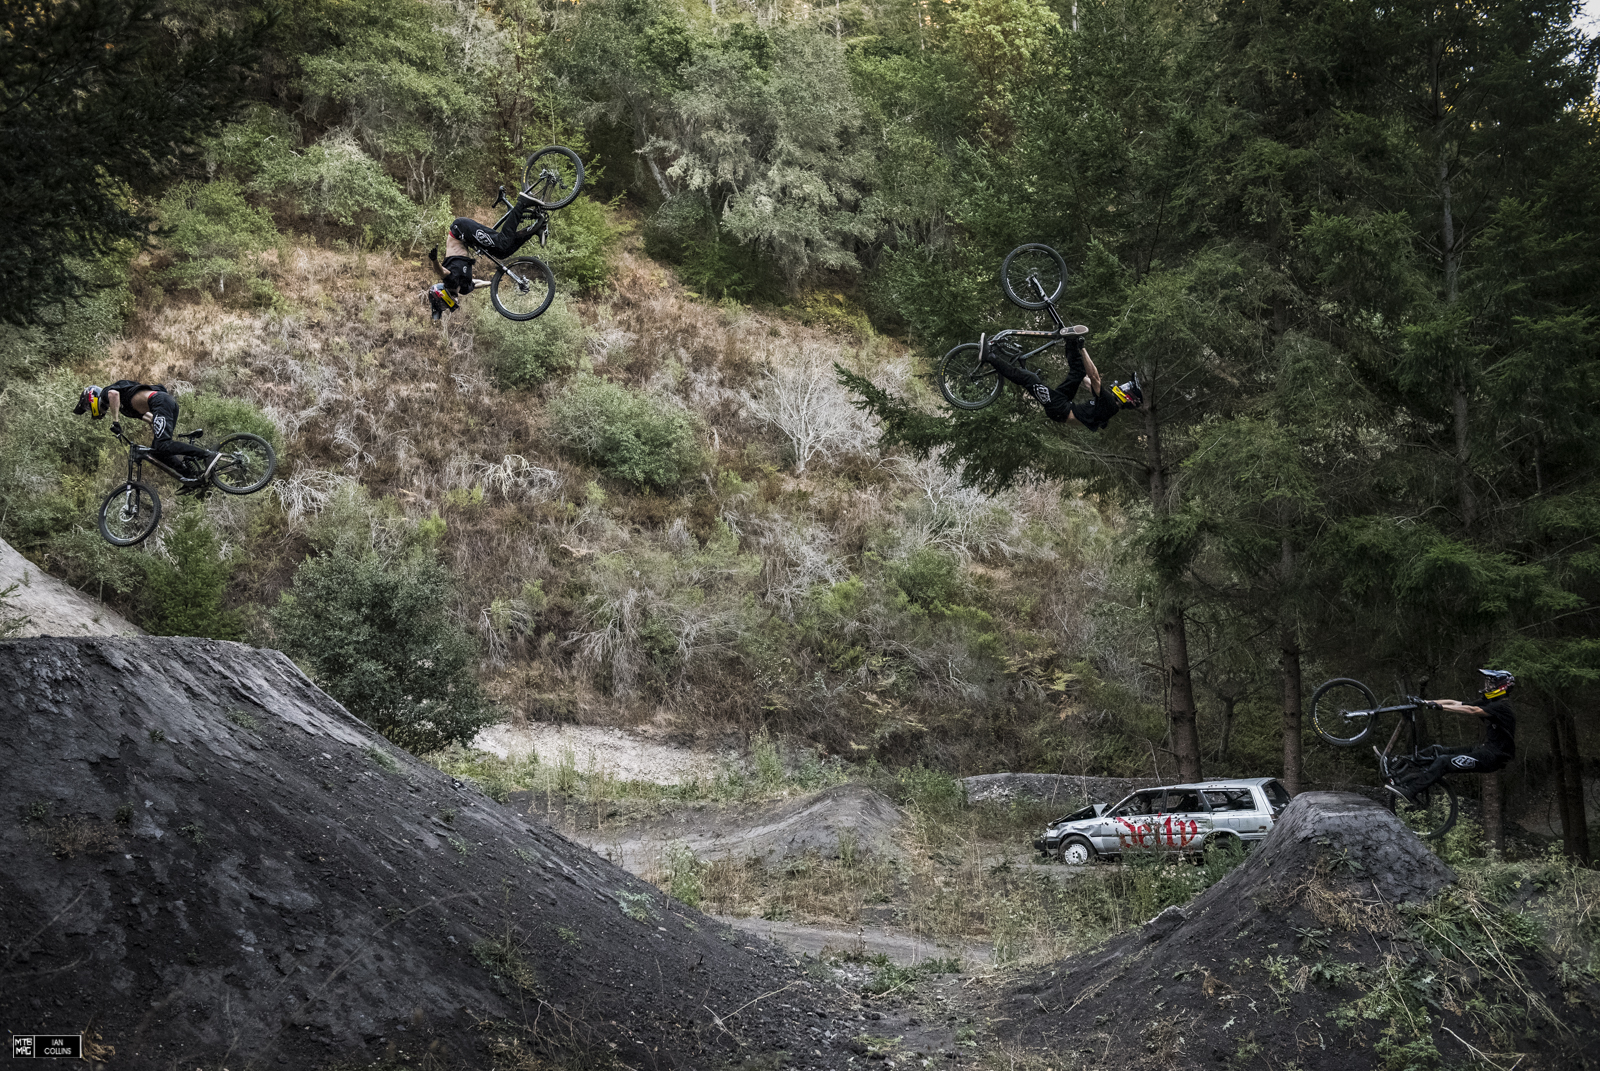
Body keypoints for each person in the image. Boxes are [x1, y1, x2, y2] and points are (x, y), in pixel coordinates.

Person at [1386, 669, 1517, 803]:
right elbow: (1455, 703)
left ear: (1501, 687)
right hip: (1485, 749)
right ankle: (1397, 763)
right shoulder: (1490, 702)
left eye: (1491, 684)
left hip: (1493, 758)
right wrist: (1425, 702)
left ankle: (1411, 791)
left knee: (1443, 761)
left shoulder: (1502, 707)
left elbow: (1472, 710)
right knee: (1436, 750)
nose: (1487, 686)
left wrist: (1438, 707)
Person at [986, 327, 1143, 430]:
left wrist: (1082, 349)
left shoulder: (1110, 404)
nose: (1123, 386)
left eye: (1128, 387)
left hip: (1059, 409)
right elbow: (1087, 381)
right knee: (1078, 372)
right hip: (1065, 403)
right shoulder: (1107, 405)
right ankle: (1069, 340)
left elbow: (1094, 377)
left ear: (1129, 398)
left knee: (1030, 379)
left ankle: (990, 357)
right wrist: (1075, 352)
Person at [74, 382, 214, 492]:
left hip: (160, 402)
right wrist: (157, 431)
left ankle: (207, 455)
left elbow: (113, 394)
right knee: (158, 450)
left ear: (92, 398)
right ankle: (190, 477)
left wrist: (115, 422)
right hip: (162, 405)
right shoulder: (126, 409)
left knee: (163, 444)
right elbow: (149, 418)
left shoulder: (106, 393)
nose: (89, 409)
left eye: (87, 406)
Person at [425, 205, 543, 321]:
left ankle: (522, 202)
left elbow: (440, 271)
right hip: (468, 240)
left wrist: (434, 259)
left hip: (460, 230)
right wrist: (492, 283)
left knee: (502, 243)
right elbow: (476, 283)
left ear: (442, 297)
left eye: (444, 306)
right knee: (503, 253)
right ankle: (534, 229)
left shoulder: (450, 281)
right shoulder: (463, 289)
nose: (447, 307)